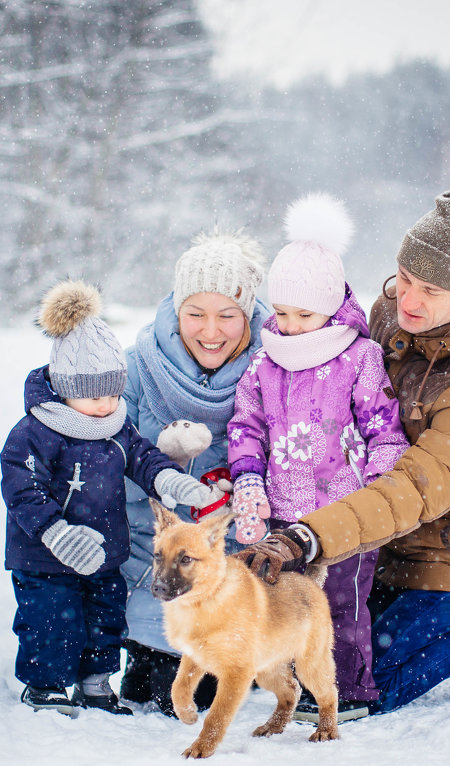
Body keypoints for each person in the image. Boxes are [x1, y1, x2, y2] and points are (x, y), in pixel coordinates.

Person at [235, 190, 450, 713]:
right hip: (376, 543)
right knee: (313, 649)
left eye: (433, 291)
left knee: (361, 684)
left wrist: (311, 535)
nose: (409, 301)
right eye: (406, 279)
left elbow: (416, 485)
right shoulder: (386, 319)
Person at [0, 280, 223, 717]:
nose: (105, 405)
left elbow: (144, 459)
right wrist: (55, 532)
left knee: (104, 619)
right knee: (50, 622)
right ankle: (45, 686)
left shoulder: (116, 428)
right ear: (65, 387)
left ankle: (96, 682)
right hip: (44, 559)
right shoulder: (35, 433)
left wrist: (174, 483)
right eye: (92, 395)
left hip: (104, 554)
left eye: (113, 393)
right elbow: (21, 489)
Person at [227, 193, 410, 722]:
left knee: (341, 606)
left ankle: (347, 688)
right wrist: (248, 482)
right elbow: (247, 425)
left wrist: (378, 493)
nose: (290, 325)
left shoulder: (359, 357)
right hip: (282, 512)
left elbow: (384, 428)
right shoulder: (265, 361)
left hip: (345, 512)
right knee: (285, 599)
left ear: (331, 307)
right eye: (281, 313)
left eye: (304, 314)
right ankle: (289, 680)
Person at [118, 229, 271, 715]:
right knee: (153, 696)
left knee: (211, 689)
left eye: (228, 315)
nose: (211, 331)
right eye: (195, 314)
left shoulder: (277, 369)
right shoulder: (136, 369)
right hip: (149, 570)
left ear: (247, 315)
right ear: (176, 310)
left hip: (232, 582)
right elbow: (98, 461)